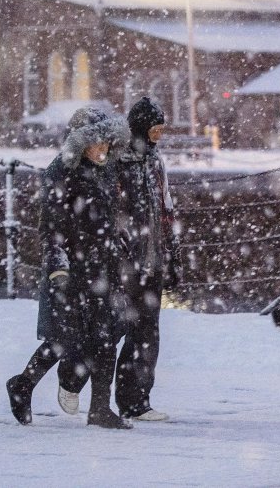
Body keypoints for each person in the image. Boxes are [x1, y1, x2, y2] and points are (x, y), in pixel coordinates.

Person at [5, 106, 132, 430]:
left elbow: (107, 218)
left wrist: (119, 243)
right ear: (81, 143)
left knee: (105, 337)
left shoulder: (105, 170)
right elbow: (51, 227)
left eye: (107, 141)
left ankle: (100, 409)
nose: (103, 147)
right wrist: (59, 269)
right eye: (97, 142)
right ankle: (23, 384)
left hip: (102, 266)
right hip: (73, 270)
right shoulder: (61, 172)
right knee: (65, 339)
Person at [59, 96, 182, 422]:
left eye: (161, 129)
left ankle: (135, 401)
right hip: (122, 261)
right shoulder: (117, 163)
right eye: (155, 129)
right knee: (111, 329)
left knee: (147, 332)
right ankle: (72, 375)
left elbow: (166, 209)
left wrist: (172, 255)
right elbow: (108, 212)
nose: (159, 135)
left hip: (151, 260)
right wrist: (118, 248)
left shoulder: (155, 163)